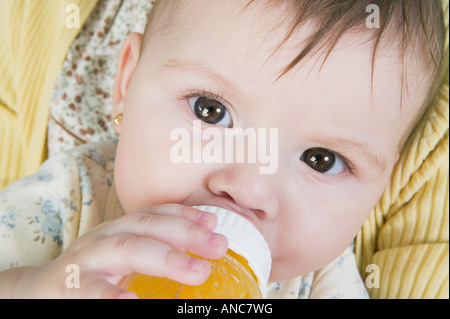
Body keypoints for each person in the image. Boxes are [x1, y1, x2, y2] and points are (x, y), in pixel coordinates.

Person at [0, 0, 445, 298]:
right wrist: (27, 288)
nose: (249, 189)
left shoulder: (325, 283)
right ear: (127, 84)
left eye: (320, 160)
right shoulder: (70, 199)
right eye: (211, 111)